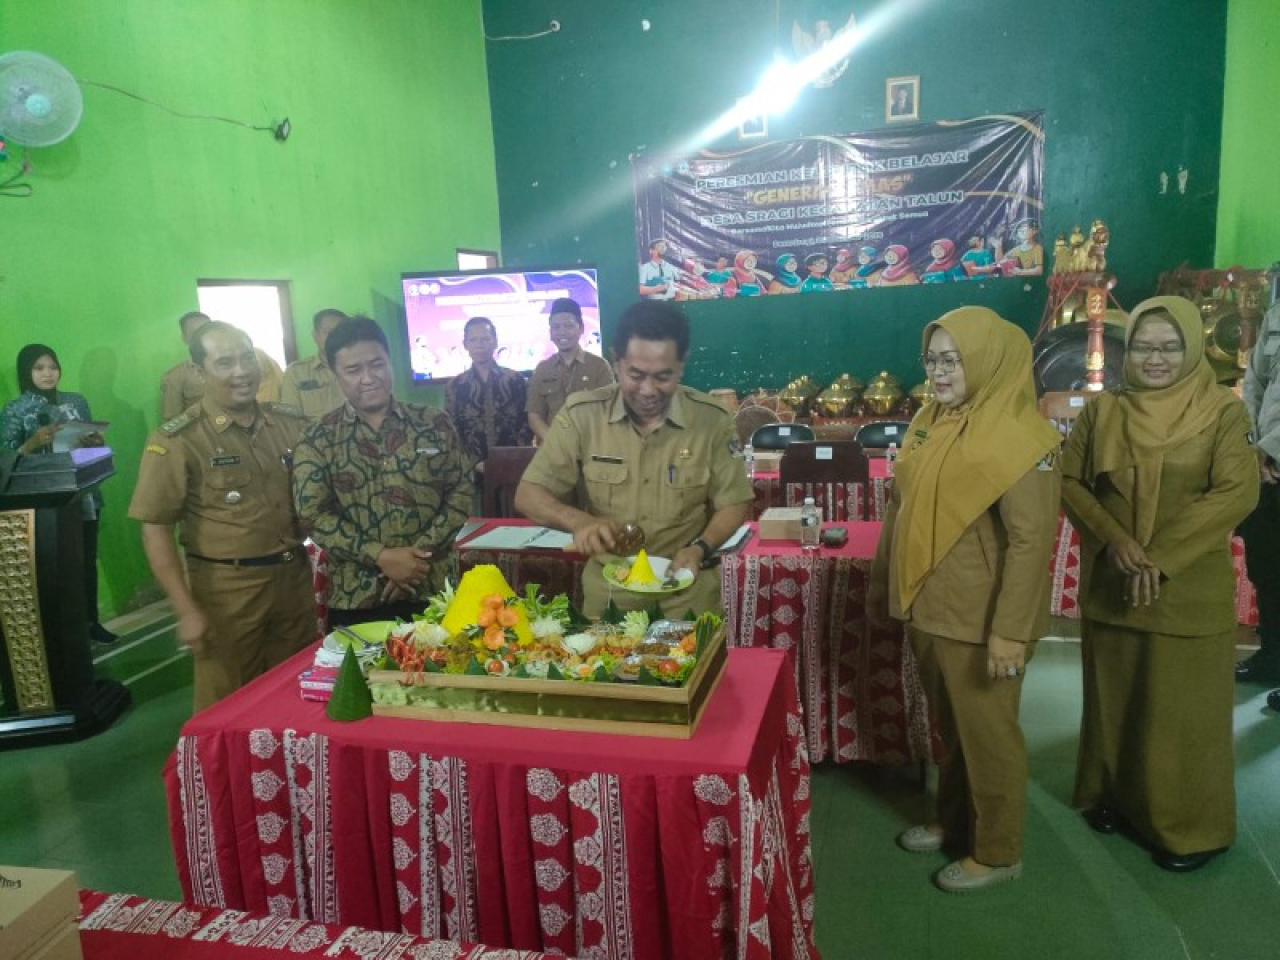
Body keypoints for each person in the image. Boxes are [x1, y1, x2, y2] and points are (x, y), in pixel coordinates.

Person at [1061, 296, 1258, 872]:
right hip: (1114, 582)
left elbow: (1235, 493)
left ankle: (1190, 830)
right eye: (1144, 346)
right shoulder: (1104, 413)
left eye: (1170, 346)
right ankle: (1113, 800)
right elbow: (1070, 482)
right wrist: (1115, 541)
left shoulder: (1223, 412)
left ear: (1193, 347)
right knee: (1116, 703)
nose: (1155, 358)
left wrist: (1159, 559)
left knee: (1182, 716)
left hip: (1185, 588)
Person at [869, 306, 1061, 893]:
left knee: (990, 738)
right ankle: (955, 824)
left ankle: (999, 850)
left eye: (953, 360)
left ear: (988, 360)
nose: (938, 372)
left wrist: (1010, 631)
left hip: (982, 620)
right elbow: (901, 509)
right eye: (932, 360)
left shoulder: (1025, 438)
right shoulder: (933, 419)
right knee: (952, 732)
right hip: (930, 605)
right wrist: (887, 589)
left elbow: (1032, 543)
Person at [515, 299, 753, 619]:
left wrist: (701, 547)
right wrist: (579, 522)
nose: (648, 390)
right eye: (636, 375)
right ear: (617, 362)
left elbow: (734, 501)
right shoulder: (582, 415)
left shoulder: (712, 420)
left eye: (663, 377)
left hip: (687, 596)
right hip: (611, 601)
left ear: (682, 366)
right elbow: (529, 495)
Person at [129, 322, 314, 712]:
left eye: (247, 357)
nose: (241, 372)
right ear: (199, 372)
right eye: (224, 362)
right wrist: (186, 611)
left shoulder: (288, 424)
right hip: (227, 592)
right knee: (226, 707)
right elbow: (155, 529)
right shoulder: (178, 440)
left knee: (297, 697)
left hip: (292, 583)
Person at [292, 316, 471, 627]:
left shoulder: (433, 423)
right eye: (353, 370)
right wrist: (382, 557)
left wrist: (415, 558)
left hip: (433, 590)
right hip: (356, 597)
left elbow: (462, 491)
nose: (368, 378)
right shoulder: (318, 437)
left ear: (390, 362)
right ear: (336, 373)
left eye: (376, 364)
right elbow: (312, 515)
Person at [2, 344, 117, 645]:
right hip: (42, 498)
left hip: (83, 491)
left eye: (52, 367)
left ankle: (91, 622)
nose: (48, 373)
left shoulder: (75, 401)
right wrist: (32, 443)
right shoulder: (16, 409)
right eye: (39, 368)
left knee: (86, 559)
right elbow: (6, 458)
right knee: (54, 565)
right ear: (27, 372)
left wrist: (94, 440)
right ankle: (63, 633)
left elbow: (93, 448)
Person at [1235, 283, 1280, 687]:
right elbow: (1254, 384)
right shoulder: (1277, 314)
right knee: (1266, 568)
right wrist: (1253, 448)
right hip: (1266, 469)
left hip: (1273, 457)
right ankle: (1272, 658)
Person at [160, 311, 285, 420]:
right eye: (224, 363)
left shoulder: (258, 358)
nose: (241, 372)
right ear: (185, 338)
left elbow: (275, 386)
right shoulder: (175, 377)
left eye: (207, 329)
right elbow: (172, 417)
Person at [445, 316, 532, 470]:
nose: (480, 345)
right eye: (474, 340)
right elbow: (452, 430)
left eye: (485, 339)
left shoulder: (515, 380)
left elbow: (526, 423)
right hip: (471, 471)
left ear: (495, 342)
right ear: (465, 344)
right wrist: (474, 463)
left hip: (513, 467)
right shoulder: (456, 386)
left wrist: (513, 459)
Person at [525, 298, 614, 442]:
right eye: (556, 327)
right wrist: (556, 443)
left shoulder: (599, 366)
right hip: (553, 451)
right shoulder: (542, 369)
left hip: (592, 448)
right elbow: (534, 416)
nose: (562, 332)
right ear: (550, 332)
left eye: (568, 326)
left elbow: (610, 411)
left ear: (581, 328)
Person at [280, 308, 348, 418]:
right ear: (315, 336)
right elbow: (290, 422)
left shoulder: (360, 369)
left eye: (341, 332)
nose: (335, 338)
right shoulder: (296, 373)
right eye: (329, 332)